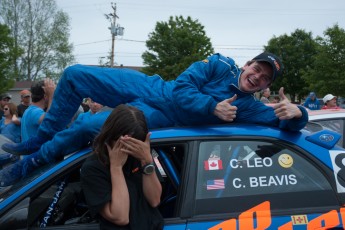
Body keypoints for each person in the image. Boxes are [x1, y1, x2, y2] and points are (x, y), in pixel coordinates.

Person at [0, 52, 309, 186]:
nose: (257, 78)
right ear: (248, 64)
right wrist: (212, 108)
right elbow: (183, 89)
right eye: (257, 69)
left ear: (267, 86)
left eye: (265, 79)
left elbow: (281, 123)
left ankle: (26, 166)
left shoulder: (250, 107)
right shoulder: (219, 64)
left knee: (87, 126)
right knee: (73, 74)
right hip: (155, 88)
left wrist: (299, 113)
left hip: (158, 116)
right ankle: (35, 142)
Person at [80, 104, 164, 229]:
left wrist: (147, 160)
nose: (130, 149)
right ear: (111, 136)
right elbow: (120, 217)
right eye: (125, 143)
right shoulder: (93, 168)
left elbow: (155, 200)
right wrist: (116, 167)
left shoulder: (139, 156)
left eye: (135, 143)